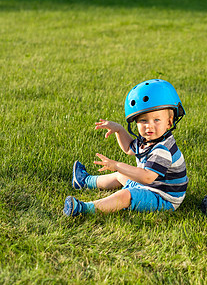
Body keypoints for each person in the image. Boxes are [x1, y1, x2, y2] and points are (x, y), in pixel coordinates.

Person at [63, 79, 187, 216]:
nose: (149, 126)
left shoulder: (162, 150)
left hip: (163, 197)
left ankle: (84, 209)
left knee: (125, 195)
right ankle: (84, 181)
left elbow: (147, 178)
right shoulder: (149, 140)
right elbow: (129, 148)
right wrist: (119, 130)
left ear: (169, 122)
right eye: (143, 120)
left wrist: (117, 165)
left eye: (156, 120)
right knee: (121, 175)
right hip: (151, 186)